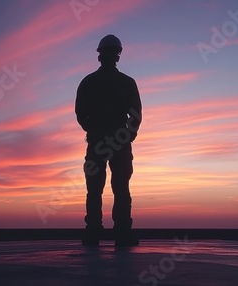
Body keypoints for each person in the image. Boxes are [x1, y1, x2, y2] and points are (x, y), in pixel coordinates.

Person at [75, 34, 142, 246]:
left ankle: (94, 232)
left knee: (96, 188)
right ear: (118, 56)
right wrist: (127, 135)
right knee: (119, 186)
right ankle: (121, 233)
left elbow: (80, 113)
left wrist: (93, 131)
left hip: (99, 142)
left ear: (100, 56)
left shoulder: (89, 82)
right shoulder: (126, 82)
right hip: (116, 142)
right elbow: (136, 115)